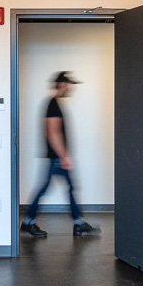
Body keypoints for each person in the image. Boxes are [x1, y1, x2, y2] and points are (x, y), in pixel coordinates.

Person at [21, 71, 100, 237]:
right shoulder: (53, 104)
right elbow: (52, 132)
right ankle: (29, 222)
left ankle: (78, 223)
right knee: (47, 188)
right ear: (61, 84)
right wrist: (63, 156)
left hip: (56, 157)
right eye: (69, 84)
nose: (71, 88)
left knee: (68, 187)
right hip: (56, 157)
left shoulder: (54, 103)